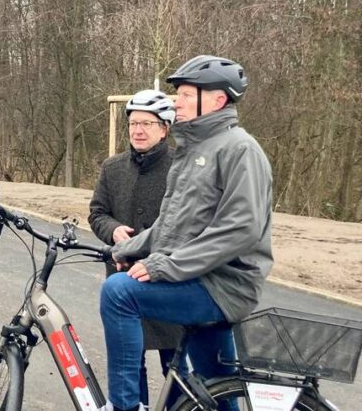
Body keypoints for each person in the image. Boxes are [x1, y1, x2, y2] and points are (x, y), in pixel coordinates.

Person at [99, 55, 272, 411]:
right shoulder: (194, 150)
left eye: (186, 93)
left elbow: (241, 229)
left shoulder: (240, 149)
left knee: (118, 293)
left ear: (217, 99)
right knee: (217, 390)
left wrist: (165, 266)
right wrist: (126, 249)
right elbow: (170, 225)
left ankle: (126, 406)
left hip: (221, 285)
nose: (176, 101)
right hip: (202, 278)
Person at [88, 89, 184, 409]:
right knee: (130, 366)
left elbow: (186, 225)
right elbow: (97, 212)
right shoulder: (112, 168)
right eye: (133, 123)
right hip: (123, 279)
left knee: (176, 367)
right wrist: (112, 230)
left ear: (164, 128)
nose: (138, 130)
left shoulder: (181, 168)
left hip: (168, 282)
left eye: (147, 123)